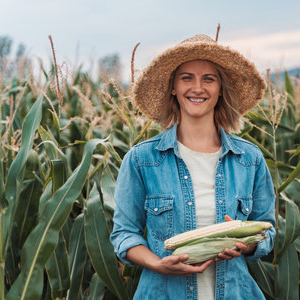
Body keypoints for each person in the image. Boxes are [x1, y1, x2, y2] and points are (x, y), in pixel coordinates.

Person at [110, 34, 276, 300]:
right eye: (187, 77)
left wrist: (245, 244)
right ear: (173, 87)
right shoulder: (142, 159)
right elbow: (124, 234)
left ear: (221, 89)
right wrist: (157, 263)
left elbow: (266, 228)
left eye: (208, 79)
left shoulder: (250, 159)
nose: (197, 88)